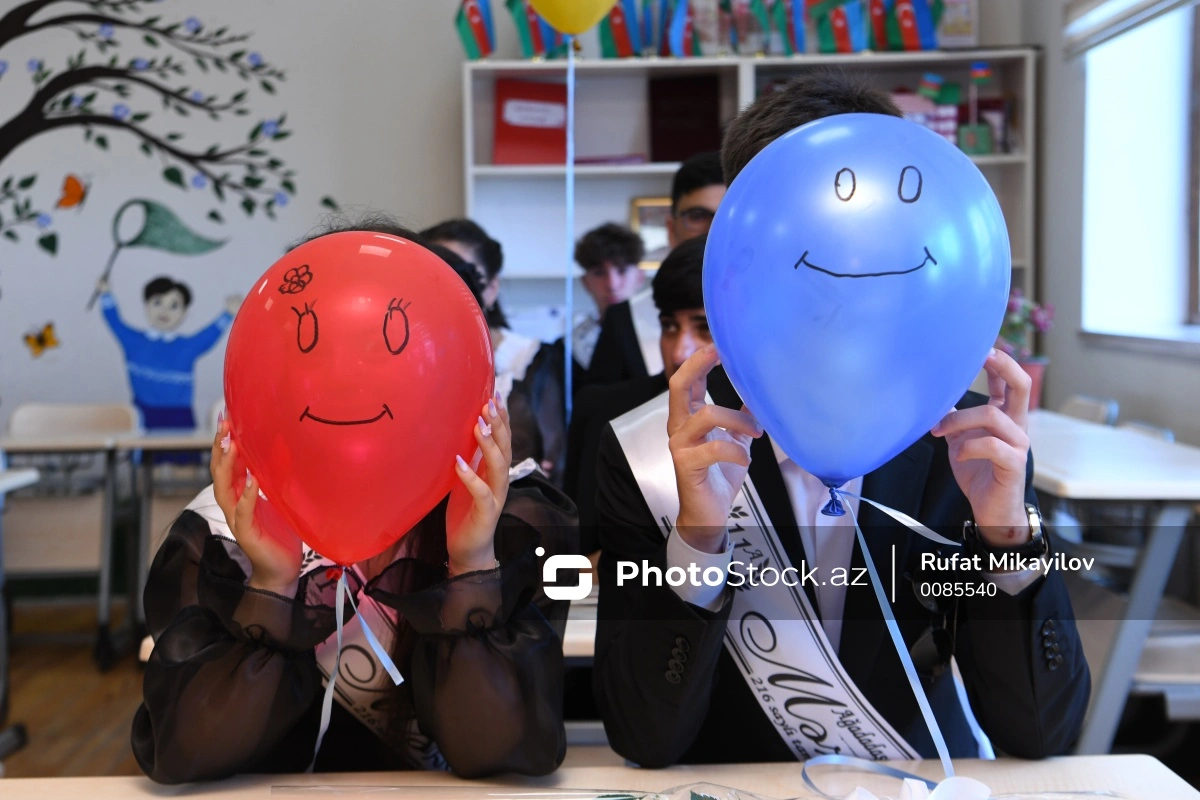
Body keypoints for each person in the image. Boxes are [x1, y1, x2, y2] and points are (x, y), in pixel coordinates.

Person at [591, 72, 1090, 767]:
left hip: (911, 777)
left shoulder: (970, 443)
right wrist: (699, 543)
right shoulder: (659, 451)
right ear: (744, 235)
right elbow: (645, 738)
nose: (851, 249)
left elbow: (1041, 735)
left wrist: (1010, 540)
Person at [131, 218, 576, 783]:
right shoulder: (222, 531)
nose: (346, 380)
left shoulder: (513, 519)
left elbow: (505, 751)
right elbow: (187, 751)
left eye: (383, 347)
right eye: (312, 349)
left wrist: (471, 564)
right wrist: (272, 582)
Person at [563, 235, 710, 555]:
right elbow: (577, 555)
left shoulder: (784, 431)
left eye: (704, 329)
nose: (679, 352)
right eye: (670, 326)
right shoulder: (607, 414)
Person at [421, 219, 566, 483]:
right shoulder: (405, 362)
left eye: (464, 277)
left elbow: (549, 459)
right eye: (434, 277)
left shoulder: (529, 358)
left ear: (491, 287)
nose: (447, 291)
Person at [585, 152, 725, 387]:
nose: (713, 230)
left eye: (725, 214)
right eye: (698, 216)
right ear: (670, 229)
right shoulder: (625, 319)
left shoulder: (778, 316)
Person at [97, 275, 240, 430]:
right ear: (146, 306)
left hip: (179, 417)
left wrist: (228, 314)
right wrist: (106, 294)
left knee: (183, 453)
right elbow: (115, 322)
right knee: (142, 452)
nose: (164, 311)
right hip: (141, 415)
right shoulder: (133, 342)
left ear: (184, 313)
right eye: (157, 302)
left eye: (174, 306)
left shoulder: (187, 347)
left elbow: (209, 335)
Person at [571, 223, 646, 372]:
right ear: (586, 282)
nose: (612, 285)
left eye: (622, 270)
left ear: (640, 277)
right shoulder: (570, 347)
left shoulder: (659, 336)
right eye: (599, 273)